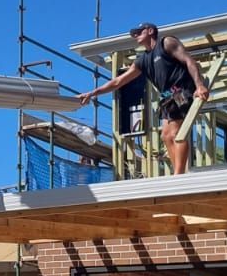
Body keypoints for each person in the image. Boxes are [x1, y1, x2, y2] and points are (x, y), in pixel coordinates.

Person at [78, 21, 210, 176]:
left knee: (175, 133)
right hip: (168, 97)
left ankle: (179, 174)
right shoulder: (143, 60)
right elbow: (118, 81)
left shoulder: (166, 42)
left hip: (181, 89)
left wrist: (200, 85)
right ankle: (178, 172)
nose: (135, 36)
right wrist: (92, 93)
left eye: (139, 32)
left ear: (150, 31)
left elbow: (189, 61)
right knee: (165, 136)